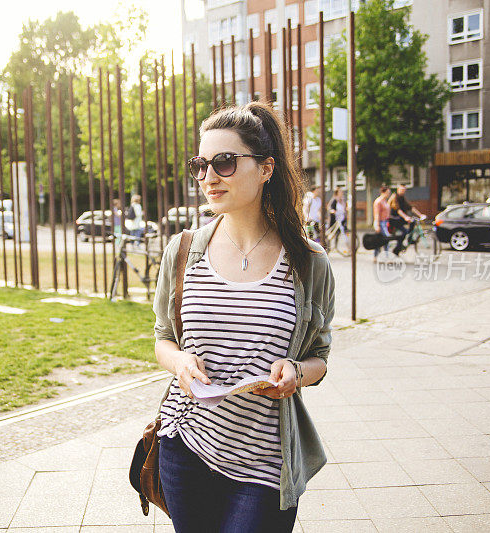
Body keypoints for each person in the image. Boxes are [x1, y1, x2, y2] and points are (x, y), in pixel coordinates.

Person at [153, 102, 334, 532]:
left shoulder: (308, 262)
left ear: (267, 168)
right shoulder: (182, 252)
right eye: (201, 164)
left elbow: (321, 359)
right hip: (186, 448)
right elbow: (162, 338)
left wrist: (295, 370)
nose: (209, 177)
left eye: (225, 162)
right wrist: (179, 362)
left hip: (265, 465)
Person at [388, 185, 425, 254]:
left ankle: (409, 239)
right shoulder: (395, 198)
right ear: (398, 190)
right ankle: (396, 250)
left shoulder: (403, 198)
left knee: (413, 222)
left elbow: (410, 207)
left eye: (404, 190)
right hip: (394, 220)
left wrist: (420, 215)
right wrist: (406, 217)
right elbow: (398, 210)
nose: (403, 191)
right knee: (404, 232)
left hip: (400, 218)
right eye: (401, 190)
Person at [372, 185, 391, 261]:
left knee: (379, 240)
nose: (388, 194)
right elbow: (376, 213)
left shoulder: (384, 201)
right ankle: (387, 257)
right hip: (380, 222)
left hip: (385, 222)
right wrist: (377, 224)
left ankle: (375, 256)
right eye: (387, 192)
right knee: (386, 238)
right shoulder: (378, 201)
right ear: (383, 192)